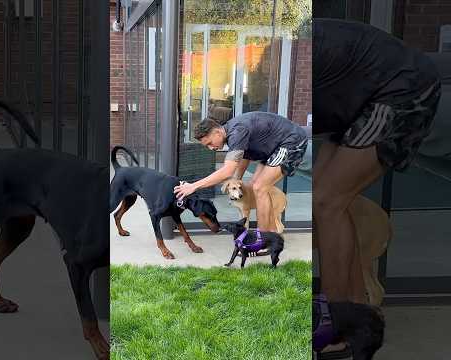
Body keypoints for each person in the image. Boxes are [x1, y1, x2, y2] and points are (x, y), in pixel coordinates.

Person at [313, 17, 441, 357]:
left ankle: (338, 326)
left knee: (329, 201)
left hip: (401, 88)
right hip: (358, 100)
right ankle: (359, 312)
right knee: (324, 200)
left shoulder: (296, 57)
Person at [174, 111, 307, 231]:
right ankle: (270, 232)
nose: (210, 148)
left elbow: (227, 171)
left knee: (260, 188)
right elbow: (243, 157)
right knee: (254, 185)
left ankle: (266, 239)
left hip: (291, 141)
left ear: (217, 132)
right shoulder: (232, 132)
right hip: (272, 148)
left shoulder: (237, 132)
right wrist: (236, 179)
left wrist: (193, 186)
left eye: (209, 143)